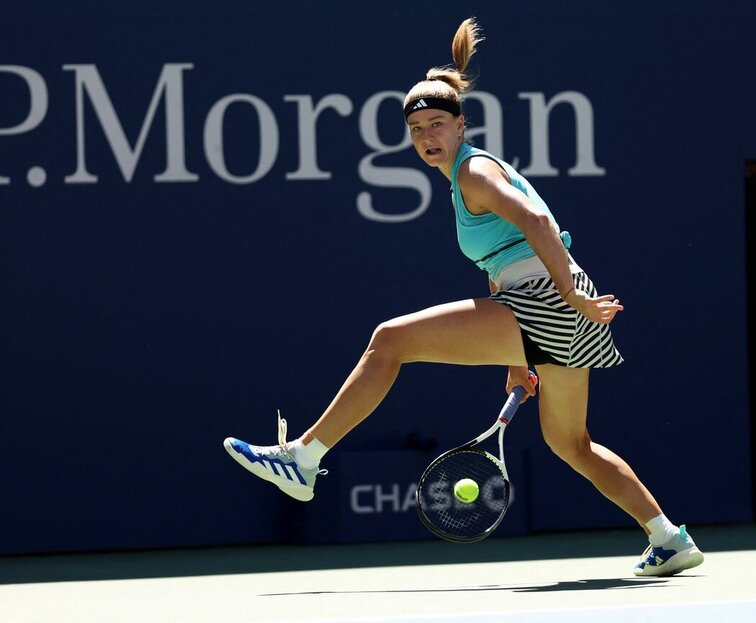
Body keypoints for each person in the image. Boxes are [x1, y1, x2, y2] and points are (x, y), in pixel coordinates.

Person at [224, 17, 703, 577]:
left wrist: (569, 294)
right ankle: (669, 538)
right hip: (555, 307)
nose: (428, 137)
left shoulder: (473, 171)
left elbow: (536, 221)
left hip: (552, 300)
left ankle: (304, 457)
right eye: (417, 129)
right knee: (571, 443)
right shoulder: (465, 177)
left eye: (437, 125)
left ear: (460, 126)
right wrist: (518, 359)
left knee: (389, 341)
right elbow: (506, 260)